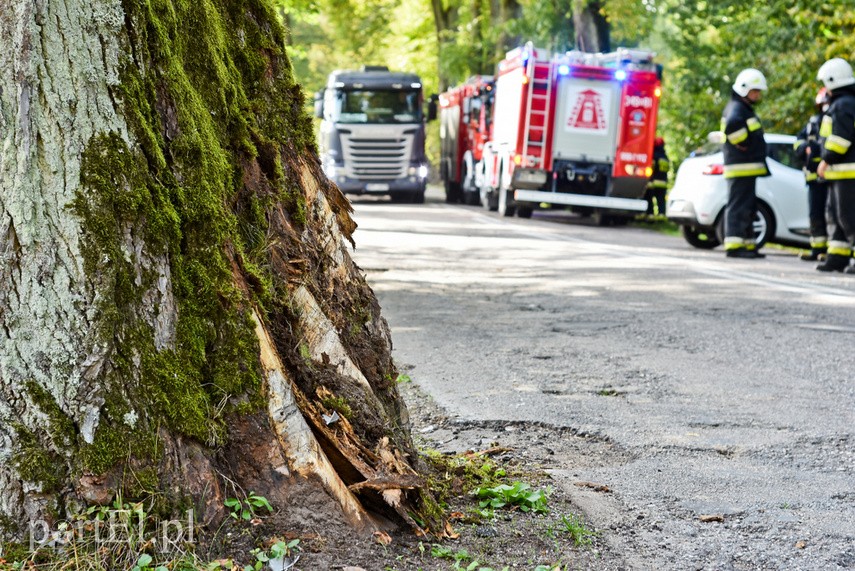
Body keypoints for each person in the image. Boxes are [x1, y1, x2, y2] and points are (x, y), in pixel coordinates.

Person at [721, 68, 770, 258]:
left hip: (746, 168)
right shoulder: (737, 109)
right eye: (755, 91)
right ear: (743, 89)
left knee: (748, 206)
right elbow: (732, 128)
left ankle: (748, 244)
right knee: (739, 206)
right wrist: (745, 144)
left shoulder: (742, 107)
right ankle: (734, 245)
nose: (758, 95)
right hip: (741, 166)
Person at [816, 58, 855, 274]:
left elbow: (840, 140)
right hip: (841, 172)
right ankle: (837, 257)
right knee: (838, 217)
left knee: (849, 217)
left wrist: (826, 160)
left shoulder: (843, 105)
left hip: (847, 171)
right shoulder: (846, 103)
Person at [794, 88, 830, 261]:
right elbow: (798, 141)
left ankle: (833, 251)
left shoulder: (836, 120)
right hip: (813, 178)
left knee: (832, 216)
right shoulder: (812, 124)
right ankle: (817, 249)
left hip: (830, 179)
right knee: (815, 215)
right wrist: (803, 149)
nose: (825, 107)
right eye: (822, 104)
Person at [645, 137, 670, 217]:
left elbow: (651, 168)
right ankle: (661, 216)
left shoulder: (654, 156)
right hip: (663, 183)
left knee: (649, 198)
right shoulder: (665, 157)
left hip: (653, 183)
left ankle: (650, 214)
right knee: (661, 201)